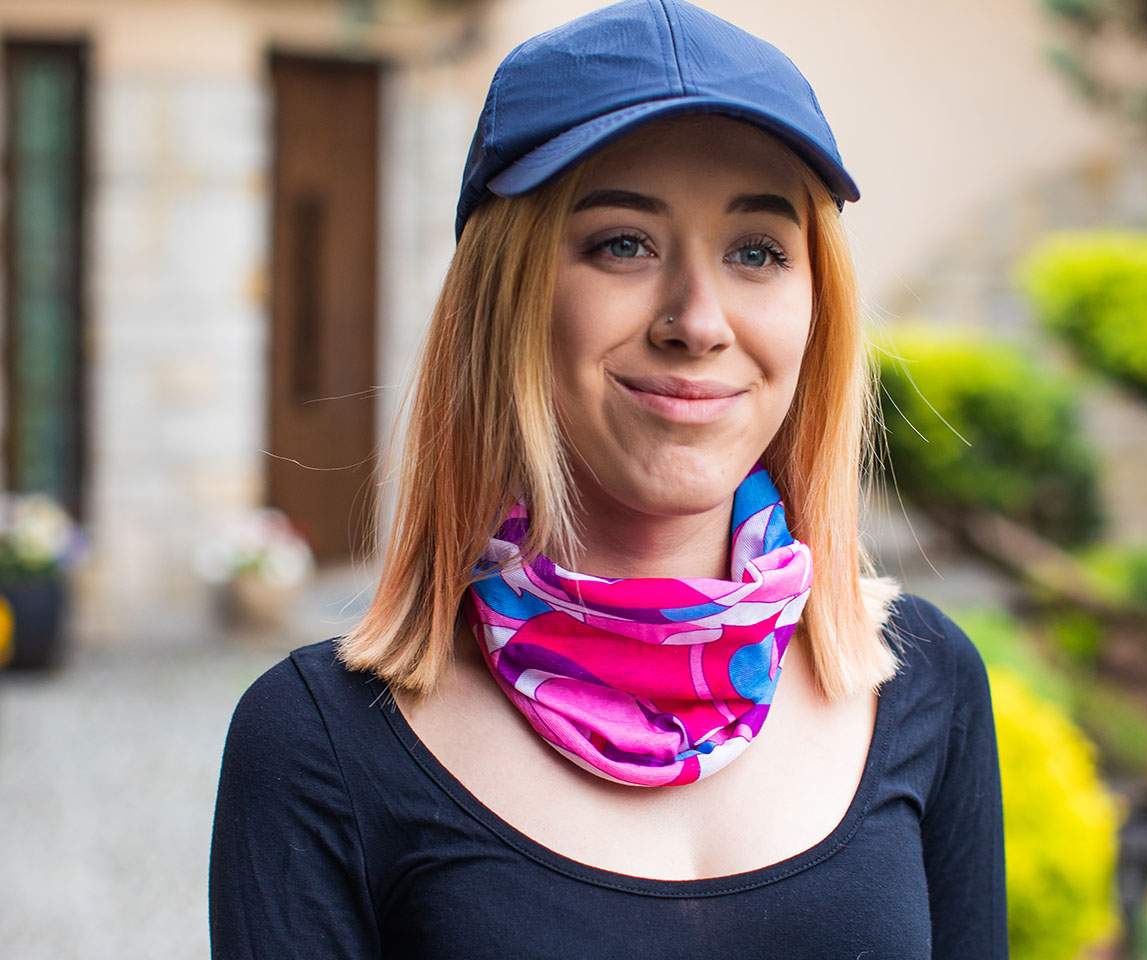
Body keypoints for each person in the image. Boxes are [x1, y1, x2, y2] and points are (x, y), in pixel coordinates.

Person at [209, 1, 1008, 957]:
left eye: (757, 251)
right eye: (623, 243)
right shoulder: (318, 746)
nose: (698, 321)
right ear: (503, 299)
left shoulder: (924, 684)